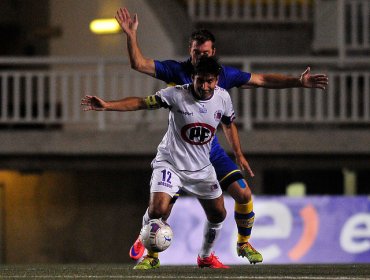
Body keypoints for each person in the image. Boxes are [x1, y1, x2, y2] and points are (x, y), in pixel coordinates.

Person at [115, 7, 329, 265]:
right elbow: (138, 64)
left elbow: (260, 81)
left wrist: (296, 81)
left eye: (205, 53)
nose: (200, 58)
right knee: (161, 209)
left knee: (243, 194)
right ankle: (147, 237)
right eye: (196, 53)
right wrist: (131, 35)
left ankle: (242, 243)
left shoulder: (224, 75)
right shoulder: (176, 72)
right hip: (182, 146)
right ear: (189, 51)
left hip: (210, 149)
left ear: (213, 54)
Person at [81, 56, 249, 269]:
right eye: (200, 81)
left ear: (217, 80)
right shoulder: (176, 94)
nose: (205, 86)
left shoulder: (223, 98)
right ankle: (151, 255)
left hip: (201, 167)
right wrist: (108, 105)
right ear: (192, 78)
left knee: (219, 213)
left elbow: (228, 123)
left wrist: (238, 152)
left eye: (210, 81)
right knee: (158, 209)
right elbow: (142, 102)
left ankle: (205, 257)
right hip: (170, 163)